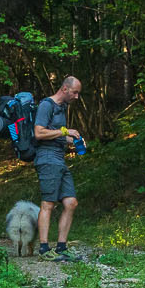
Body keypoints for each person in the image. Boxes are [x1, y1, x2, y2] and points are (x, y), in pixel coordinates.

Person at [30, 75, 83, 260]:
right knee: (48, 204)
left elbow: (57, 135)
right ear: (65, 89)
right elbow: (39, 133)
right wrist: (64, 131)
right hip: (46, 158)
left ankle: (61, 247)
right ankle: (44, 249)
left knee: (71, 202)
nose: (77, 97)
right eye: (75, 93)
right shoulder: (47, 105)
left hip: (59, 158)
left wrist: (72, 140)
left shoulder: (63, 107)